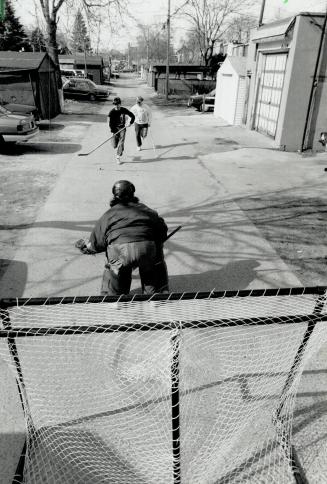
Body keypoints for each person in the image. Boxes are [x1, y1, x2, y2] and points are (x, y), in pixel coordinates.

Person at [86, 180, 169, 295]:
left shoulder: (108, 214)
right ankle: (156, 292)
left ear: (114, 196)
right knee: (155, 257)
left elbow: (97, 243)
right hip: (146, 249)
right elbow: (162, 231)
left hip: (119, 252)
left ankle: (114, 296)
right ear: (133, 193)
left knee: (116, 267)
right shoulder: (145, 210)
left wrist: (89, 248)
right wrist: (157, 241)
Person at [107, 97, 135, 164]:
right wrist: (113, 130)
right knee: (114, 145)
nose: (116, 105)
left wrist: (130, 123)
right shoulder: (112, 112)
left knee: (121, 142)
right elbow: (109, 122)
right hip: (115, 129)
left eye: (117, 104)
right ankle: (120, 148)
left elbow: (133, 116)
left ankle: (118, 157)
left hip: (122, 128)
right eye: (115, 104)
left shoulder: (123, 110)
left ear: (120, 104)